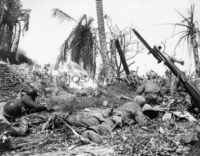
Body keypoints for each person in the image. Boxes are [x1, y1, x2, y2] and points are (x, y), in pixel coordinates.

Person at [67, 95, 147, 144]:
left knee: (94, 120)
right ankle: (90, 132)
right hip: (117, 117)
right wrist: (145, 118)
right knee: (106, 126)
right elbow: (141, 121)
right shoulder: (137, 107)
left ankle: (70, 119)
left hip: (109, 112)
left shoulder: (127, 103)